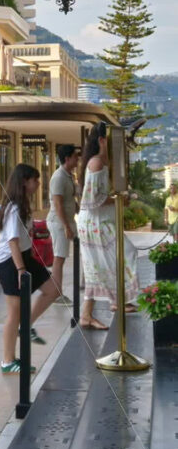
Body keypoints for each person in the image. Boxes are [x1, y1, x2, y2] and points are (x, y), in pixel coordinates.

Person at [0, 163, 59, 374]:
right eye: (35, 180)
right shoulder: (13, 207)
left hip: (23, 257)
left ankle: (26, 325)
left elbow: (22, 239)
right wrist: (21, 269)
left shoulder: (23, 205)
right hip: (11, 262)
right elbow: (12, 241)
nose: (38, 183)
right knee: (13, 311)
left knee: (53, 290)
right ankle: (7, 361)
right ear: (24, 182)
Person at [77, 122, 139, 329]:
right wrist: (118, 199)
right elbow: (90, 199)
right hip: (94, 222)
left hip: (99, 221)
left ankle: (112, 302)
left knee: (103, 264)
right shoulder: (96, 163)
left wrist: (118, 197)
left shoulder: (102, 162)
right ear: (103, 140)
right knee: (115, 257)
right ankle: (110, 303)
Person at [47, 144, 79, 305]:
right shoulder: (58, 177)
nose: (77, 159)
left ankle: (84, 284)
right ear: (67, 158)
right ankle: (56, 294)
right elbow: (58, 204)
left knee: (80, 247)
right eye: (75, 156)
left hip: (69, 220)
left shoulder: (69, 176)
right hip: (59, 222)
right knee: (59, 258)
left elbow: (70, 199)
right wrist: (66, 227)